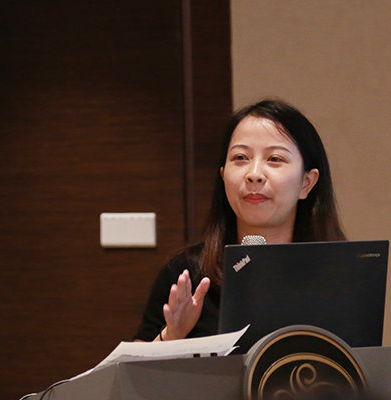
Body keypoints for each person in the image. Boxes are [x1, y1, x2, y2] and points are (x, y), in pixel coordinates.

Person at [134, 99, 346, 342]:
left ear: (306, 183)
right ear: (224, 176)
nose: (254, 175)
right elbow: (134, 365)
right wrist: (173, 335)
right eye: (241, 157)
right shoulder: (187, 274)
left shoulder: (339, 275)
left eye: (274, 159)